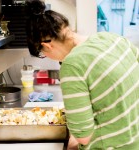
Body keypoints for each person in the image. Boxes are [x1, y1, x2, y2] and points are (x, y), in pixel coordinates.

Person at [25, 0, 139, 149]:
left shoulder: (72, 65)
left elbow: (83, 136)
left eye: (43, 54)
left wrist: (76, 134)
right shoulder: (111, 38)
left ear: (47, 45)